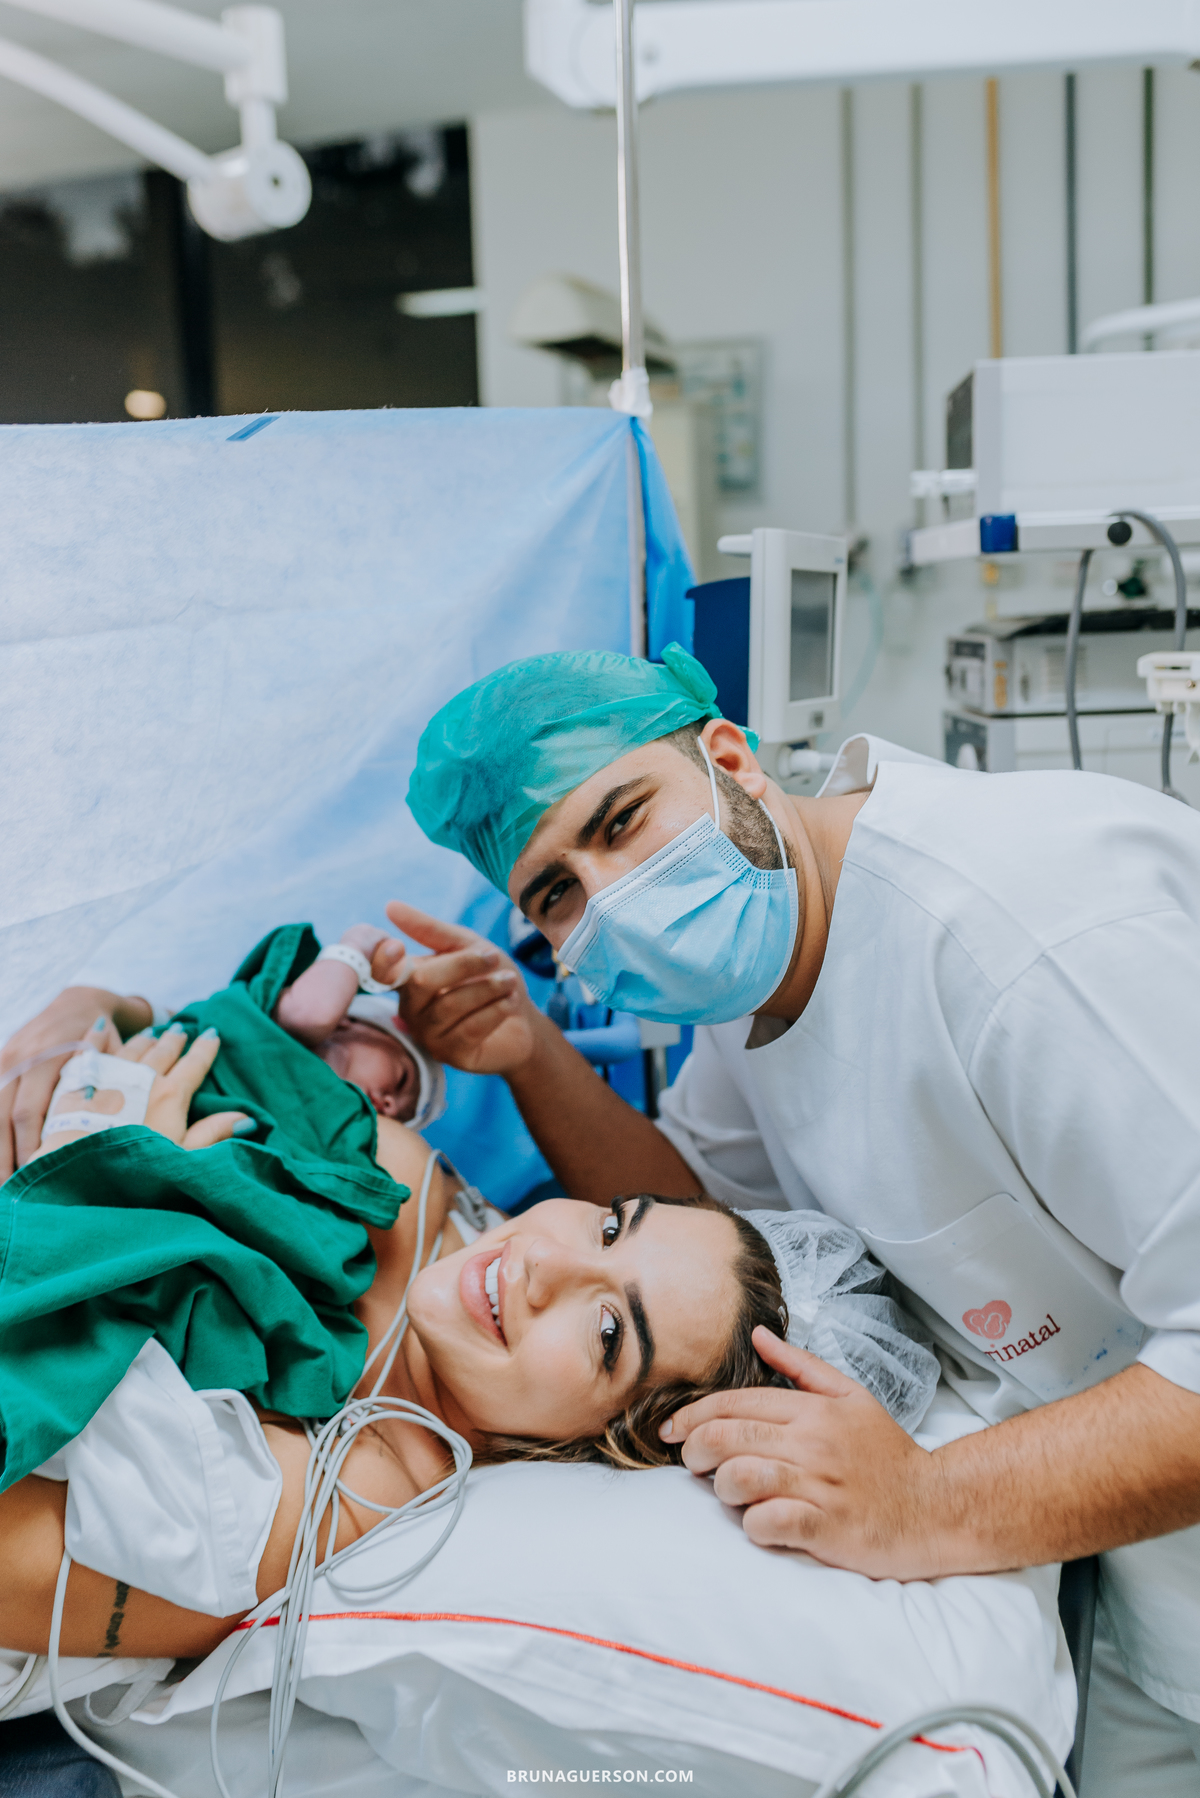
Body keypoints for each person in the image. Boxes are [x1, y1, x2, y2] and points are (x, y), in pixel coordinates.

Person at [365, 641, 1198, 1796]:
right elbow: (701, 1216)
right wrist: (528, 1053)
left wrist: (929, 1501)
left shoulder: (1031, 935)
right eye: (555, 890)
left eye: (621, 819)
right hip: (1146, 1575)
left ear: (730, 759)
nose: (614, 899)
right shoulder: (762, 957)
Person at [0, 918, 936, 1681]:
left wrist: (85, 1187)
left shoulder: (331, 1498)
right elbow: (189, 1030)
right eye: (614, 1225)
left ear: (621, 1444)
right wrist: (79, 1020)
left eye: (610, 1329)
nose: (545, 1262)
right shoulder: (416, 1191)